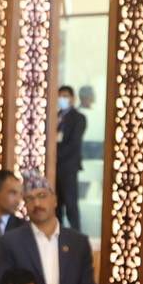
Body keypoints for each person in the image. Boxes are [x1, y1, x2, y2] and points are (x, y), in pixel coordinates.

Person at [0, 171, 98, 284]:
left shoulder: (78, 243)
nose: (37, 203)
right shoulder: (11, 243)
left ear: (55, 200)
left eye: (42, 196)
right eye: (30, 199)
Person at [54, 84, 86, 231]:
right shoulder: (55, 116)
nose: (62, 99)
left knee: (70, 204)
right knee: (56, 204)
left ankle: (76, 235)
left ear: (73, 99)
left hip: (68, 167)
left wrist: (57, 155)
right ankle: (58, 234)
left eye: (65, 96)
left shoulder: (79, 118)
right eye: (60, 96)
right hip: (54, 168)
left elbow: (74, 143)